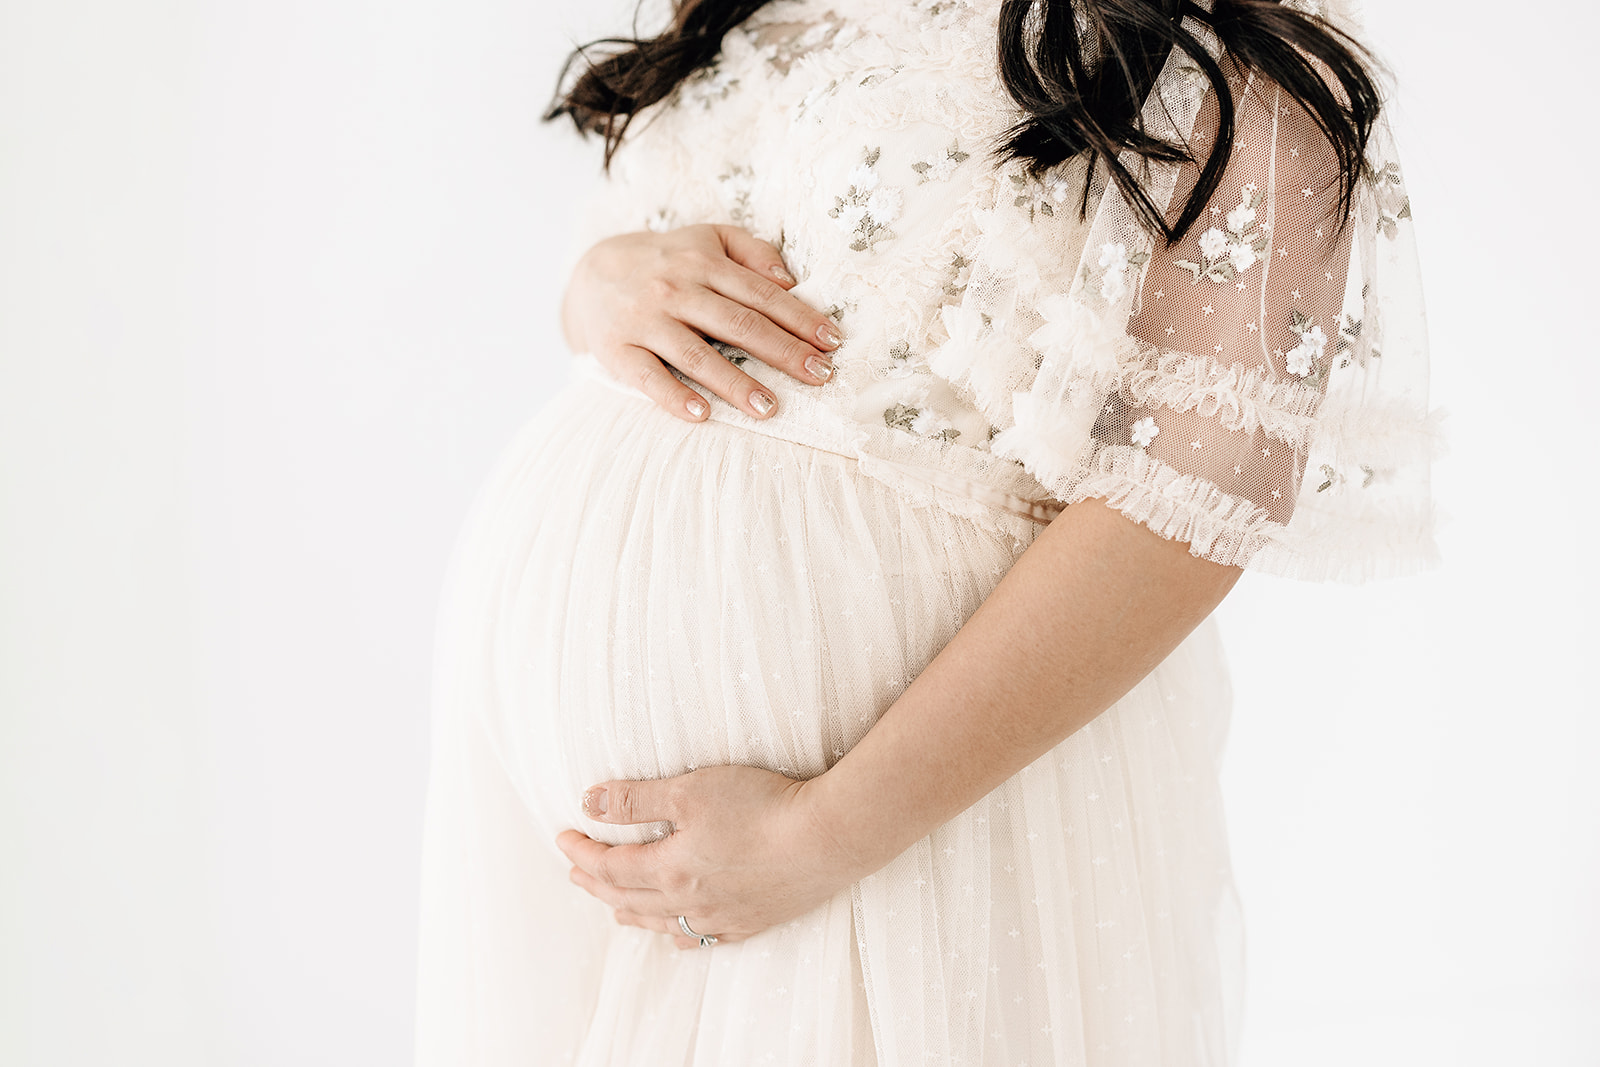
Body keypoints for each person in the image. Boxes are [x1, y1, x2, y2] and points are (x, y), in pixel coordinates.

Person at [414, 0, 1436, 1063]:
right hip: (570, 856)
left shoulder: (1226, 56)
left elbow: (1194, 497)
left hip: (893, 836)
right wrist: (595, 289)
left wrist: (819, 835)